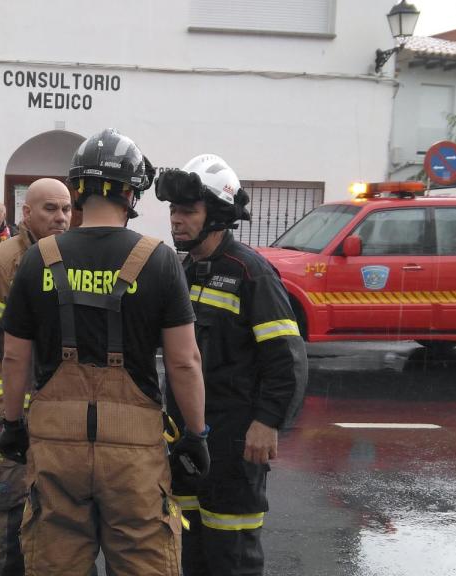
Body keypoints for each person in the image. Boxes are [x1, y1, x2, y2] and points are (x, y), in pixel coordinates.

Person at [0, 129, 210, 576]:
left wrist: (12, 424)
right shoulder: (160, 260)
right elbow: (184, 361)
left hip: (56, 447)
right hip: (133, 455)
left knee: (55, 563)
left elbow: (14, 356)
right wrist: (195, 433)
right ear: (132, 193)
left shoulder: (40, 258)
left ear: (78, 189)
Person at [156, 154, 307, 576]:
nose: (176, 220)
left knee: (231, 555)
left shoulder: (251, 273)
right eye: (173, 210)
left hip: (236, 442)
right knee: (188, 548)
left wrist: (268, 422)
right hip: (188, 439)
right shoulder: (184, 271)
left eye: (187, 211)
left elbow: (287, 359)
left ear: (218, 215)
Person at [0, 179, 72, 576]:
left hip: (54, 418)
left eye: (66, 209)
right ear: (26, 213)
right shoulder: (1, 262)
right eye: (50, 209)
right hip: (7, 420)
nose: (60, 217)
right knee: (5, 524)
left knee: (50, 526)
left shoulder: (66, 259)